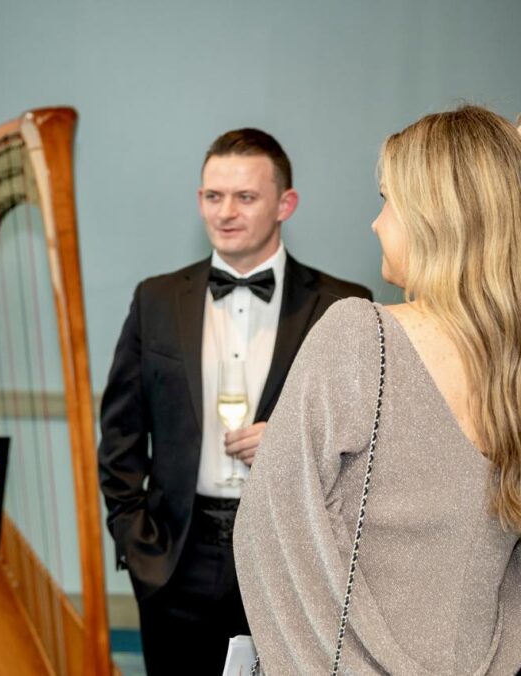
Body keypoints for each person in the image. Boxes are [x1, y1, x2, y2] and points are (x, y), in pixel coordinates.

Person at [234, 106, 521, 674]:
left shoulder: (361, 335)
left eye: (388, 200)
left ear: (434, 217)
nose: (376, 223)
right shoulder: (510, 369)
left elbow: (270, 537)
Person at [98, 128, 371, 674]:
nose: (225, 212)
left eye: (245, 197)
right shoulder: (155, 298)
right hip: (174, 555)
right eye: (212, 196)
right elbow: (121, 433)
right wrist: (135, 538)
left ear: (284, 204)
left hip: (290, 552)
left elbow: (368, 439)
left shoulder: (344, 306)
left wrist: (293, 441)